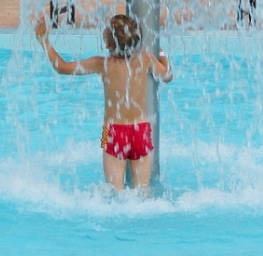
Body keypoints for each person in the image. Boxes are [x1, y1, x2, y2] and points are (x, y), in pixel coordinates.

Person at [34, 14, 173, 192]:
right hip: (141, 129)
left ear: (108, 44)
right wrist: (160, 51)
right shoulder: (145, 59)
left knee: (114, 193)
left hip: (112, 131)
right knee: (142, 192)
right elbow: (168, 76)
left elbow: (61, 67)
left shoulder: (101, 64)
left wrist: (43, 40)